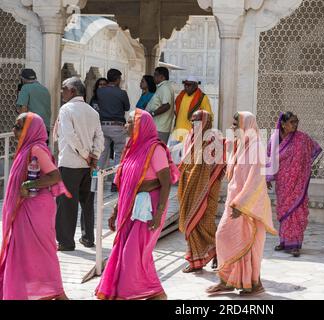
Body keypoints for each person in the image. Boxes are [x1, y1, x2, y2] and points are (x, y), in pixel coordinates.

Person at [95, 109, 179, 300]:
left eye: (130, 122)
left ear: (142, 126)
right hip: (130, 209)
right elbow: (126, 183)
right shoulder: (132, 148)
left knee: (133, 253)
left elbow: (166, 181)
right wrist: (115, 210)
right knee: (137, 253)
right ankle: (155, 292)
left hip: (148, 210)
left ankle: (134, 292)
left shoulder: (154, 149)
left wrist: (159, 214)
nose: (126, 125)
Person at [0, 113, 71, 300]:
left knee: (42, 250)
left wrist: (28, 185)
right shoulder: (27, 149)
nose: (14, 130)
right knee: (25, 251)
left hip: (36, 208)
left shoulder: (36, 149)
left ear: (30, 130)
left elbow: (55, 176)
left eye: (19, 126)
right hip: (26, 206)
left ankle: (56, 291)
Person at [206, 112, 277, 296]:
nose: (233, 127)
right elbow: (232, 172)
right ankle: (227, 281)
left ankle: (254, 284)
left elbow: (255, 180)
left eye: (236, 124)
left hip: (247, 205)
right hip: (234, 201)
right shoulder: (242, 145)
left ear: (247, 125)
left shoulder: (257, 147)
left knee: (247, 244)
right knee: (224, 237)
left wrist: (241, 203)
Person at [55, 77, 104, 251]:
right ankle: (88, 238)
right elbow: (100, 138)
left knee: (67, 204)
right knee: (87, 201)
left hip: (70, 163)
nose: (62, 92)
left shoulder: (66, 109)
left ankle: (66, 242)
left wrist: (85, 155)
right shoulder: (92, 111)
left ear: (73, 91)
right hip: (88, 166)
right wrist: (94, 156)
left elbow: (69, 135)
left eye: (64, 88)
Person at [266, 112, 322, 257]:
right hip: (283, 183)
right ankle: (284, 241)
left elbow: (314, 150)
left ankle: (295, 244)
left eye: (296, 121)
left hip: (298, 183)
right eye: (292, 122)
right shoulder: (274, 139)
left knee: (296, 211)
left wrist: (304, 167)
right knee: (284, 212)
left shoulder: (302, 138)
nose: (295, 125)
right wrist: (267, 179)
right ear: (283, 124)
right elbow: (268, 157)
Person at [178, 110, 225, 273]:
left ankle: (218, 251)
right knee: (191, 222)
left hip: (208, 188)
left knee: (205, 222)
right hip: (189, 187)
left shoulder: (214, 138)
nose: (193, 124)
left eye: (197, 121)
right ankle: (195, 260)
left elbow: (219, 165)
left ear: (207, 121)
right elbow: (185, 162)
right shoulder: (189, 137)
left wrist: (205, 179)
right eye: (192, 121)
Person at [97, 69, 130, 191]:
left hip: (103, 125)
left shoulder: (100, 91)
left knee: (102, 155)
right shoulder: (122, 93)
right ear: (117, 79)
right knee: (119, 154)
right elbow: (127, 107)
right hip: (117, 125)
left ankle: (97, 183)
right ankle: (115, 183)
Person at [172, 76, 213, 143]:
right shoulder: (181, 95)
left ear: (196, 86)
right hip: (177, 133)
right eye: (185, 84)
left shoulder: (202, 98)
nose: (186, 87)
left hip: (191, 136)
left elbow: (208, 116)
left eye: (189, 85)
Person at [16, 68, 51, 138]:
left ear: (22, 79)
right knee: (41, 148)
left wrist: (20, 126)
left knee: (30, 148)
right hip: (45, 128)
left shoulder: (25, 87)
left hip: (32, 128)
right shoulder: (45, 89)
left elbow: (23, 109)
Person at [146, 67, 175, 143]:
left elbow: (166, 105)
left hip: (160, 128)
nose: (153, 77)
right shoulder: (162, 87)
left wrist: (152, 113)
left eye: (155, 75)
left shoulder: (165, 88)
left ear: (162, 76)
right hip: (157, 127)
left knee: (157, 151)